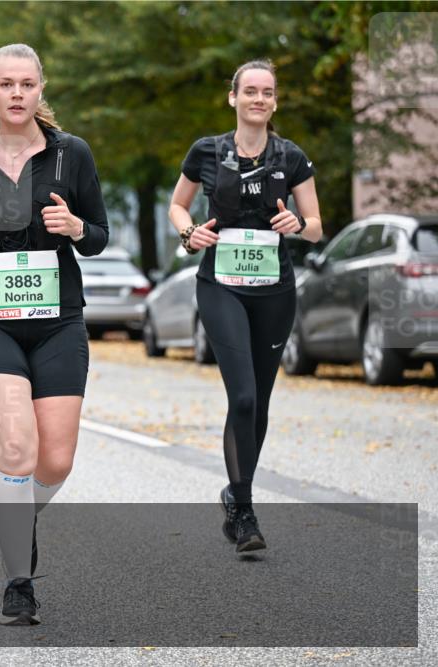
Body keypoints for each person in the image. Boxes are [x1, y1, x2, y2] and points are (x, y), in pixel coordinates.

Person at [0, 44, 109, 625]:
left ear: (40, 90)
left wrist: (77, 226)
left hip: (58, 320)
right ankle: (18, 581)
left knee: (54, 461)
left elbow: (99, 234)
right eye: (5, 84)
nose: (15, 93)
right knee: (17, 450)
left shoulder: (71, 154)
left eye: (26, 84)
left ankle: (17, 513)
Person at [168, 59, 322, 555]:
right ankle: (244, 507)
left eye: (267, 92)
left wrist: (298, 225)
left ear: (275, 102)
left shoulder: (291, 156)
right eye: (249, 91)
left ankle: (235, 495)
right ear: (232, 98)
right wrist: (189, 231)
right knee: (244, 397)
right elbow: (177, 205)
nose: (258, 98)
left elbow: (317, 224)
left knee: (262, 401)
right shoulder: (207, 152)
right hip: (221, 286)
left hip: (274, 289)